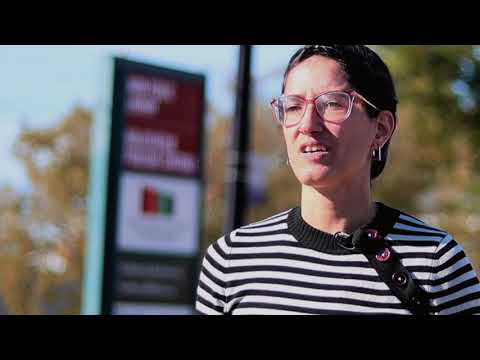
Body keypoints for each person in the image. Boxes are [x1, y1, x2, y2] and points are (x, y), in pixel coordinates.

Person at [195, 45, 480, 315]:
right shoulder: (232, 259)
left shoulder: (435, 260)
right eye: (293, 106)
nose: (307, 125)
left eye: (331, 103)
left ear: (380, 129)